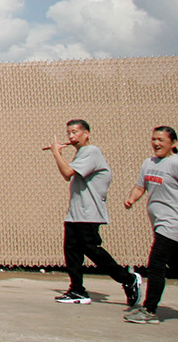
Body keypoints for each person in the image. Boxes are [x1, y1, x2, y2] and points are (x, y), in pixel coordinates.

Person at [49, 119, 142, 308]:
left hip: (89, 214)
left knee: (93, 250)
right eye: (69, 133)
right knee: (72, 252)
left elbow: (67, 172)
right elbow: (67, 175)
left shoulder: (92, 152)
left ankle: (128, 278)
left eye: (75, 132)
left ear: (86, 133)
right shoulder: (81, 154)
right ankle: (77, 290)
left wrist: (56, 153)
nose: (71, 136)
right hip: (75, 214)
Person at [121, 126, 178, 323]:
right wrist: (131, 199)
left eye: (161, 140)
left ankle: (150, 311)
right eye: (154, 139)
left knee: (156, 265)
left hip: (172, 224)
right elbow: (140, 186)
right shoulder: (149, 163)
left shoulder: (175, 163)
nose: (156, 143)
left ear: (174, 144)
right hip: (160, 224)